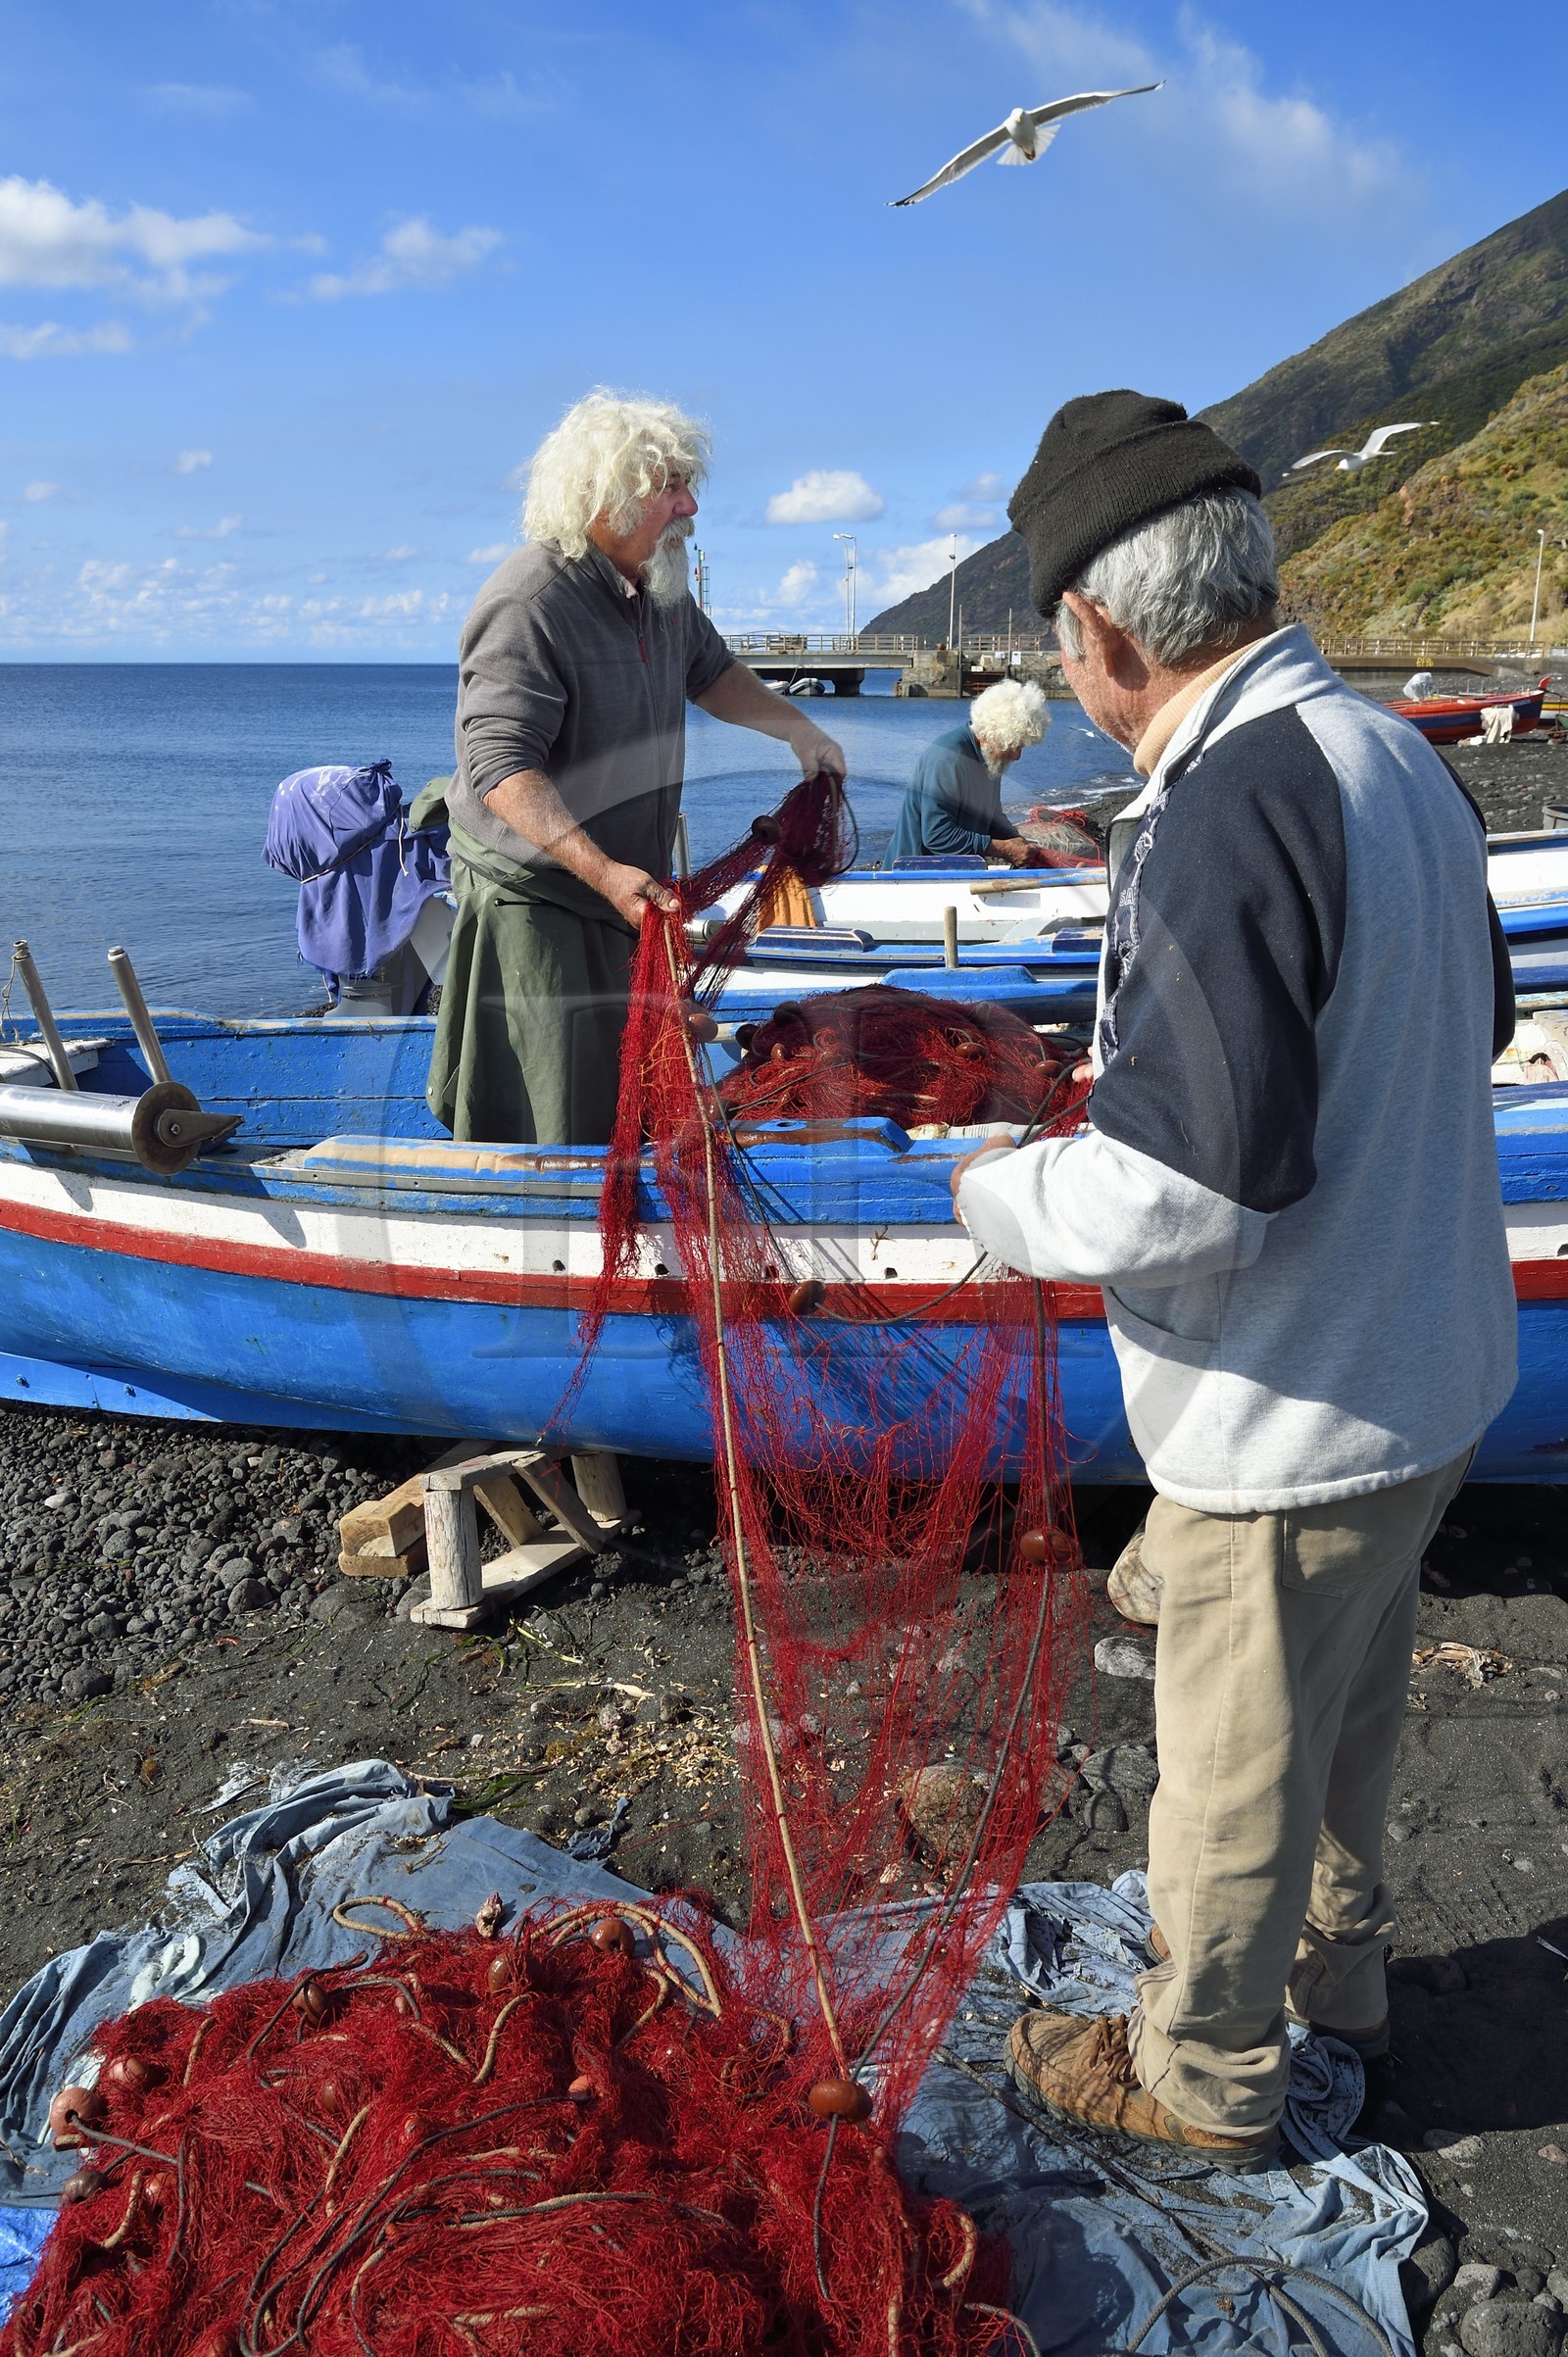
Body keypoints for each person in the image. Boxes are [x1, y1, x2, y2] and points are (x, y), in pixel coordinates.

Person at [952, 390, 1516, 2168]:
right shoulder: (1389, 754)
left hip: (1291, 1409)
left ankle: (1202, 2079)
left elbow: (1188, 1197)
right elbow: (1479, 1018)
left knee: (1229, 1771)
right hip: (1431, 1372)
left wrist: (1002, 1194)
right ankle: (1341, 1983)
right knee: (1349, 1712)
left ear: (1101, 632)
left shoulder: (1221, 808)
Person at [427, 389, 846, 1145]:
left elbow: (712, 672)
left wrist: (799, 732)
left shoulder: (661, 590)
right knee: (553, 1111)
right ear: (599, 498)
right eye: (668, 487)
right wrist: (602, 871)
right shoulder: (528, 602)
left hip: (622, 894)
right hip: (538, 903)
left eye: (689, 485)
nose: (689, 506)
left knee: (633, 1086)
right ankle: (543, 1248)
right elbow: (499, 766)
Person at [885, 675, 1052, 865]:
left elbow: (992, 816)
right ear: (992, 734)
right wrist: (1004, 849)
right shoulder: (949, 758)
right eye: (1014, 746)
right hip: (911, 874)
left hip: (952, 870)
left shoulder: (990, 758)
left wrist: (1020, 844)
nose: (1017, 756)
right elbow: (937, 835)